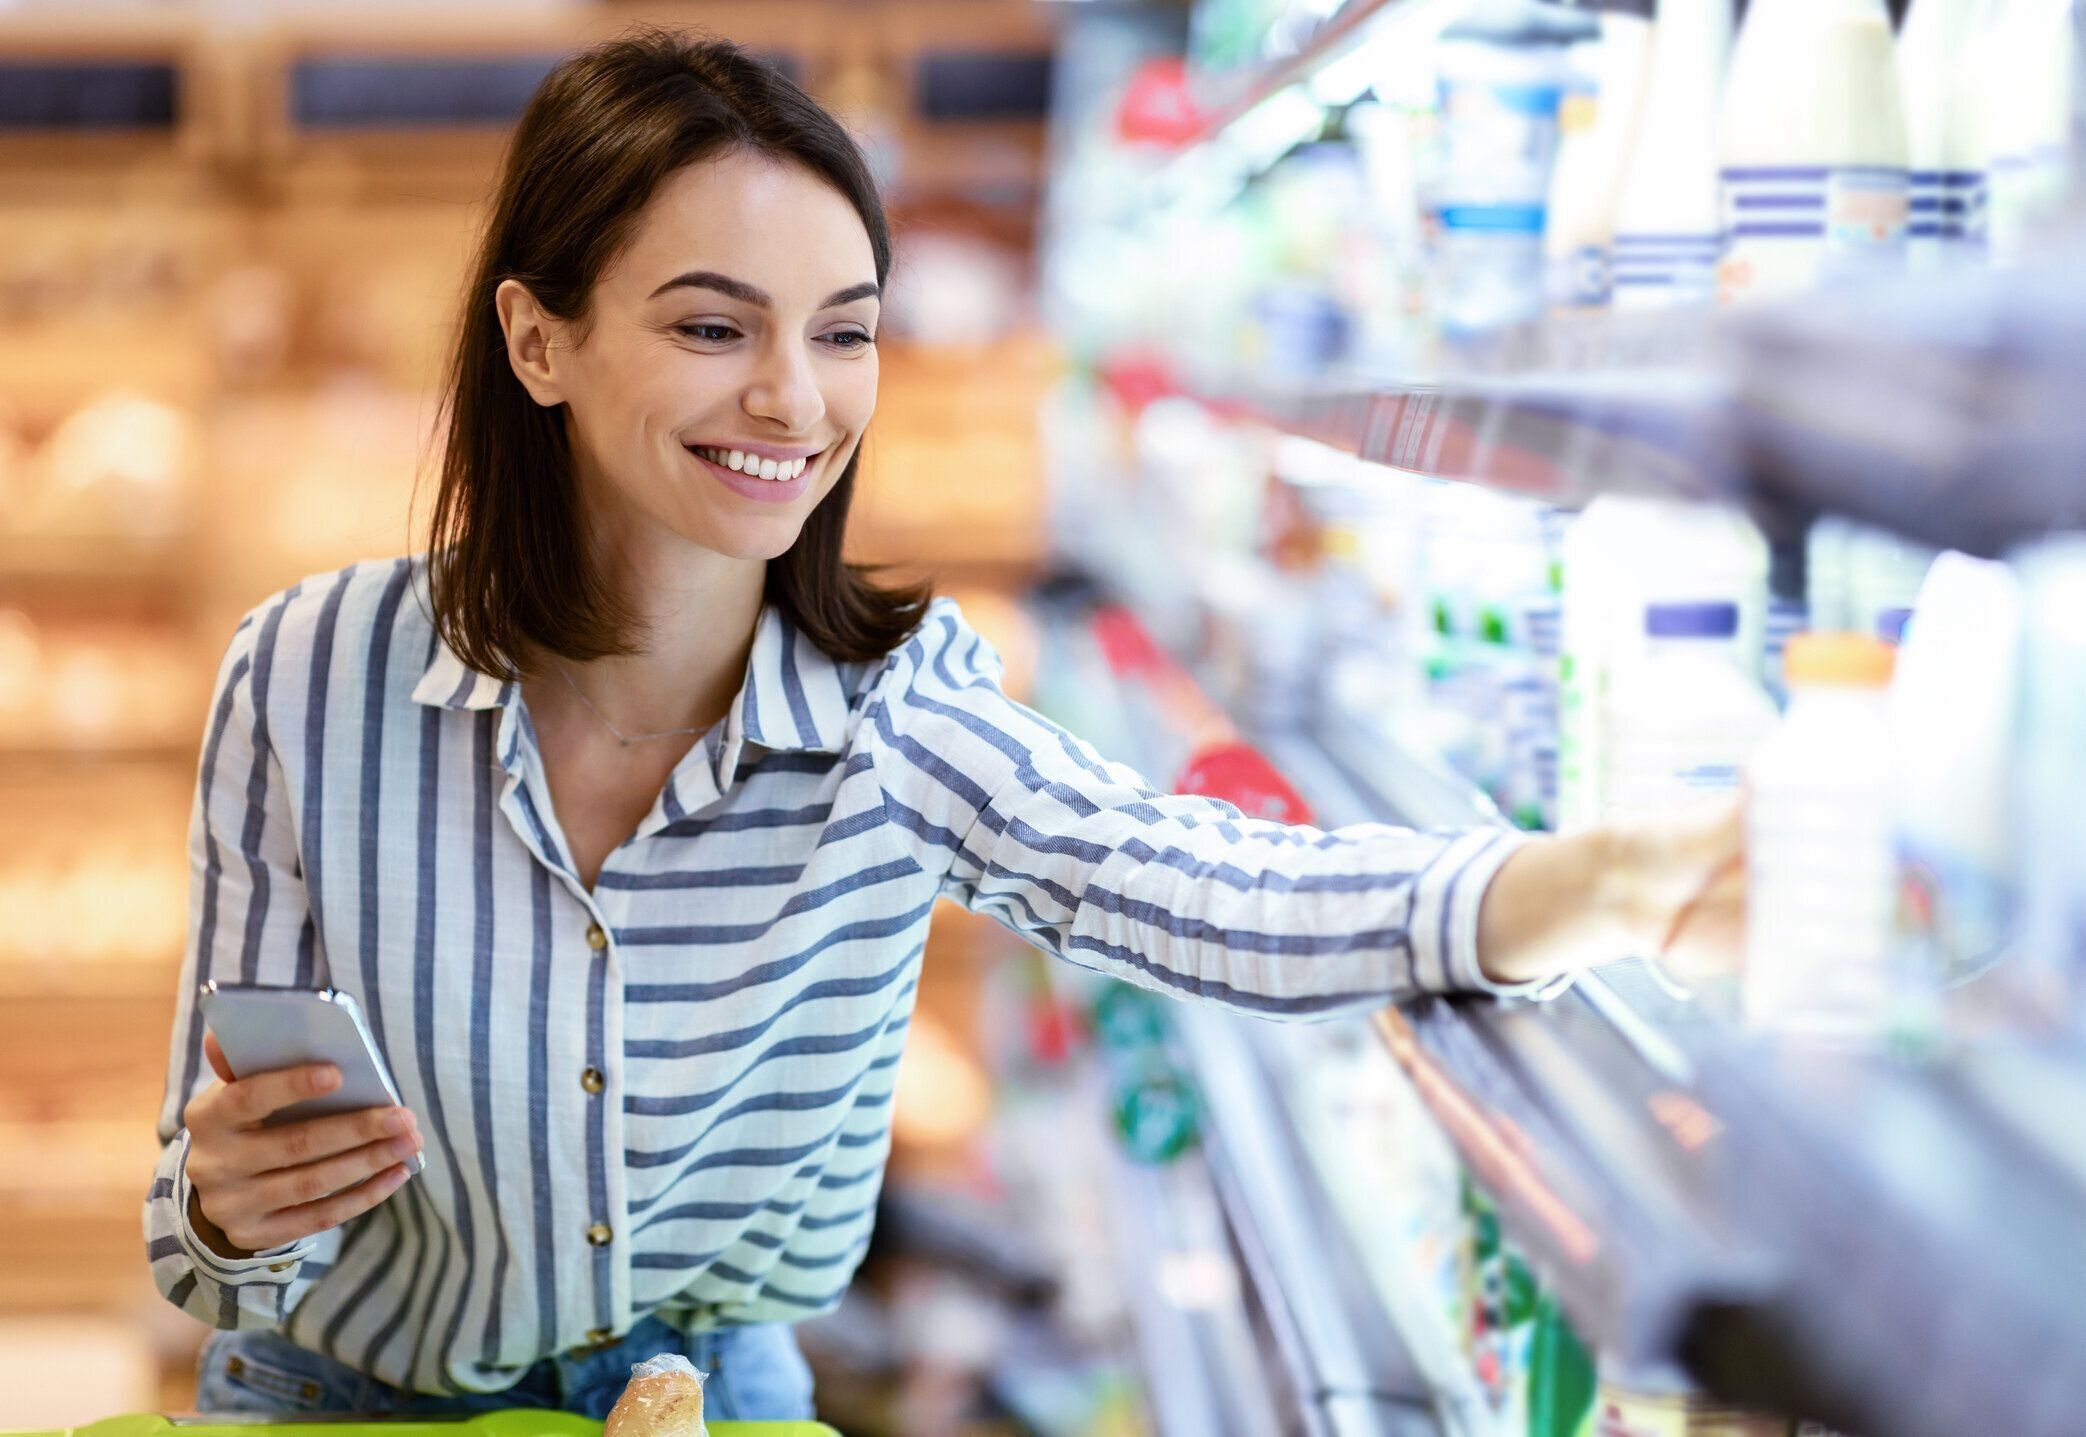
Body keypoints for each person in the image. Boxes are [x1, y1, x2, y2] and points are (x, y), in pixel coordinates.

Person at [144, 28, 1741, 1420]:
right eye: (714, 327)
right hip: (342, 1405)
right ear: (536, 337)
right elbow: (198, 1236)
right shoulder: (309, 678)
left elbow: (1202, 883)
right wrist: (231, 1204)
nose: (795, 398)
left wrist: (1593, 882)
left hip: (705, 1401)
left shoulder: (894, 718)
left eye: (843, 330)